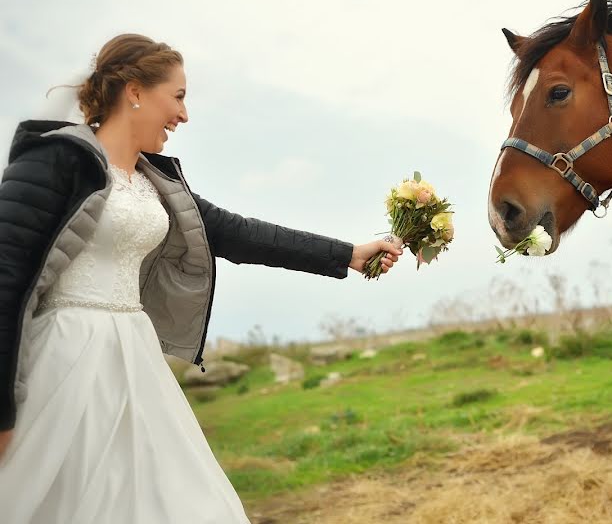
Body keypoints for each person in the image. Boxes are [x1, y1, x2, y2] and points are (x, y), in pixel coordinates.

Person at [0, 33, 402, 523]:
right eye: (179, 97)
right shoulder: (56, 159)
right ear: (134, 91)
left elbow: (240, 234)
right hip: (61, 362)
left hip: (136, 359)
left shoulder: (159, 182)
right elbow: (6, 278)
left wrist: (348, 254)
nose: (184, 116)